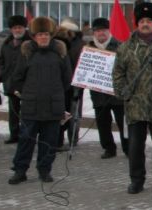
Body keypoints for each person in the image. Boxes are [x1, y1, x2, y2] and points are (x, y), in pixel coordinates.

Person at [113, 2, 152, 194]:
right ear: (137, 23)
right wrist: (122, 91)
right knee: (135, 147)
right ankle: (136, 180)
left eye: (149, 20)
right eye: (142, 21)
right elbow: (118, 73)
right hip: (135, 106)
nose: (145, 24)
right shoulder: (126, 47)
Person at [8, 17, 72, 184]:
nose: (43, 37)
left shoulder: (60, 52)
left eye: (46, 34)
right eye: (39, 34)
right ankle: (20, 170)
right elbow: (18, 77)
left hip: (53, 106)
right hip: (31, 106)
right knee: (26, 140)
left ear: (51, 35)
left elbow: (67, 79)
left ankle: (45, 170)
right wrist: (28, 93)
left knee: (49, 141)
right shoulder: (26, 53)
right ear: (34, 36)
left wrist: (55, 93)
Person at [89, 17, 128, 159]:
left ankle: (128, 148)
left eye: (103, 30)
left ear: (108, 30)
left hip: (117, 94)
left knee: (122, 123)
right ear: (94, 32)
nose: (101, 33)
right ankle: (108, 148)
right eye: (98, 31)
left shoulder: (120, 46)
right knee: (102, 124)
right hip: (98, 94)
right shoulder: (89, 48)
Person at [0, 15, 31, 144]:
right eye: (15, 28)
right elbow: (1, 61)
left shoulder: (29, 43)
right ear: (11, 29)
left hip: (26, 83)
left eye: (20, 27)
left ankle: (26, 134)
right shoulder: (6, 44)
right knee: (13, 111)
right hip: (10, 82)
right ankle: (14, 134)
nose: (18, 30)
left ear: (24, 28)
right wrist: (2, 74)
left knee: (27, 111)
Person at [55, 17, 86, 150]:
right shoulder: (58, 43)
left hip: (76, 82)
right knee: (61, 111)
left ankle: (73, 137)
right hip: (60, 83)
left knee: (74, 113)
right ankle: (59, 139)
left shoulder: (81, 45)